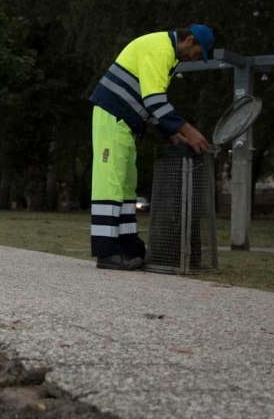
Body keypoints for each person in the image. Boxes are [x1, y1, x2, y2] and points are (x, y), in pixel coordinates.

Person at [88, 24, 215, 270]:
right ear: (189, 40)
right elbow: (154, 101)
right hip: (112, 117)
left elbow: (151, 99)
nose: (195, 58)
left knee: (126, 187)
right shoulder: (160, 49)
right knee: (110, 183)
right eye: (198, 52)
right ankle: (106, 252)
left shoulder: (166, 55)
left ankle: (128, 246)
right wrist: (189, 131)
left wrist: (171, 134)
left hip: (126, 122)